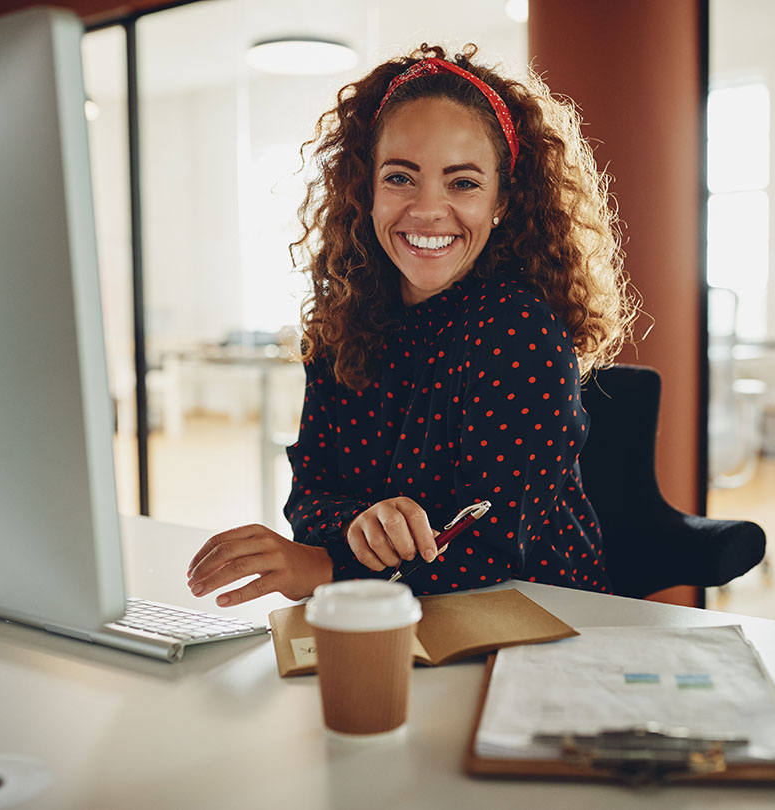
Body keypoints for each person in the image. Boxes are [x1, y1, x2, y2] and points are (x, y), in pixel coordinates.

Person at [187, 44, 634, 607]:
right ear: (366, 188)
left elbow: (493, 548)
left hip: (539, 615)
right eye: (401, 177)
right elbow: (310, 497)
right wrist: (358, 525)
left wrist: (329, 566)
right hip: (397, 613)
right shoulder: (342, 322)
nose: (427, 210)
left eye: (463, 183)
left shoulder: (520, 328)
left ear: (502, 200)